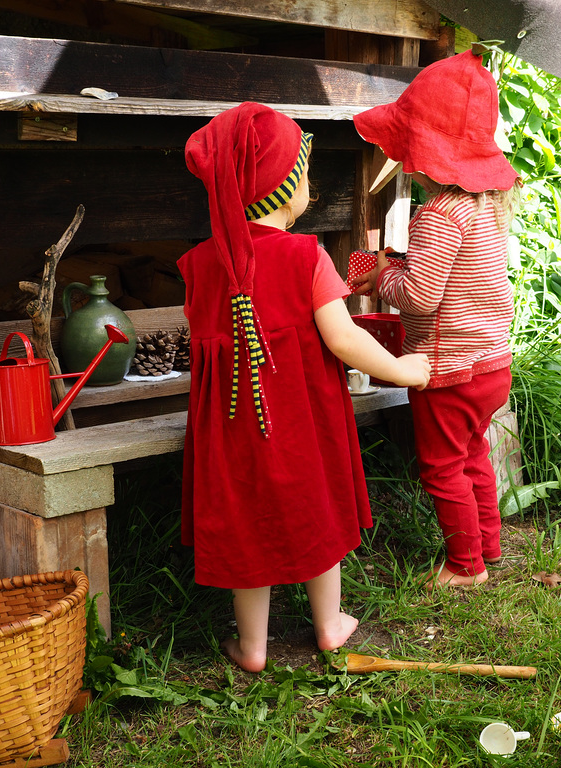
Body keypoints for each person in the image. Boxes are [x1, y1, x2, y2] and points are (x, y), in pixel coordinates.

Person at [180, 102, 431, 673]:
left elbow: (214, 345)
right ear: (283, 184)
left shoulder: (199, 264)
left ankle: (252, 647)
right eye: (305, 176)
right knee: (316, 511)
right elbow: (343, 340)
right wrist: (403, 368)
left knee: (249, 523)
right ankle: (329, 625)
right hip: (300, 424)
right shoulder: (306, 255)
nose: (309, 189)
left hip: (234, 429)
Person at [351, 50, 520, 589]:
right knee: (475, 455)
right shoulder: (485, 206)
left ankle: (464, 567)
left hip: (448, 369)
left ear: (424, 152)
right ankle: (488, 546)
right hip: (493, 363)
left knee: (443, 467)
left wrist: (383, 278)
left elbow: (421, 298)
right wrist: (402, 264)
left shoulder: (439, 213)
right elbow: (455, 278)